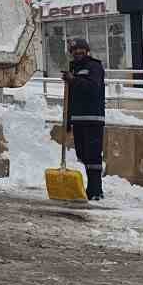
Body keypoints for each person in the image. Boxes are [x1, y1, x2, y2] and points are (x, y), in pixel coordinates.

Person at [62, 37, 107, 200]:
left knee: (93, 155)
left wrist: (74, 80)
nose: (77, 53)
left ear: (87, 51)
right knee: (83, 154)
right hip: (78, 119)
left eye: (80, 49)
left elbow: (93, 88)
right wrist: (68, 121)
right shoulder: (73, 70)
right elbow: (71, 99)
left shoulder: (94, 67)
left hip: (93, 118)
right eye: (74, 51)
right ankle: (92, 187)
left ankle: (96, 190)